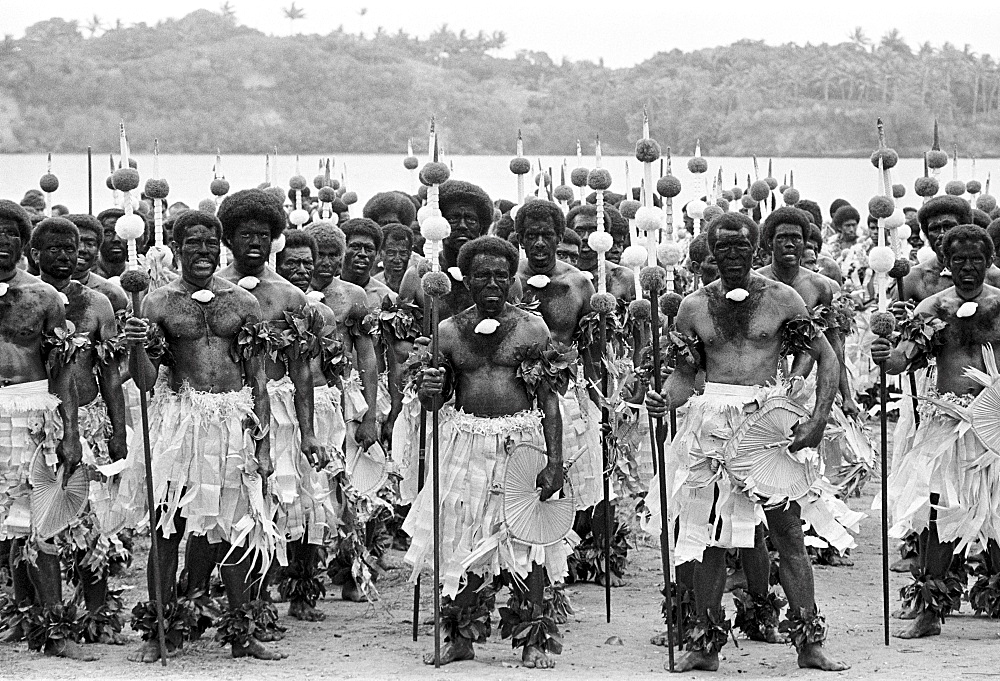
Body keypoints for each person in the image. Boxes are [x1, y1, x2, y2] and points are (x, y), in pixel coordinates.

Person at [644, 212, 848, 672]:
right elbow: (683, 375)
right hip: (712, 420)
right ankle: (704, 645)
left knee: (788, 535)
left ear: (755, 249)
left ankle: (809, 643)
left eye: (741, 247)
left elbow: (827, 359)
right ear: (712, 252)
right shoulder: (694, 306)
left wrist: (817, 421)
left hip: (766, 421)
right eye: (723, 248)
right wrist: (664, 401)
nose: (732, 255)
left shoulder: (782, 299)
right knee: (713, 537)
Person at [121, 209, 283, 662]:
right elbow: (146, 380)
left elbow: (258, 378)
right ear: (176, 249)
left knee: (236, 523)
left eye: (211, 245)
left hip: (234, 418)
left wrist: (264, 442)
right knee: (166, 526)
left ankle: (240, 632)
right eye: (193, 244)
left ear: (221, 248)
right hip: (180, 419)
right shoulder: (157, 303)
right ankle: (162, 631)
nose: (204, 253)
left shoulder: (244, 304)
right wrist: (137, 344)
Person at [405, 235, 572, 669]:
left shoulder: (531, 328)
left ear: (512, 278)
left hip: (520, 440)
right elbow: (433, 401)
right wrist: (429, 391)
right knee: (460, 536)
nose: (493, 284)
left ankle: (533, 637)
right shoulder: (447, 330)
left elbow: (549, 400)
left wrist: (554, 462)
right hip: (466, 441)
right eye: (483, 276)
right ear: (467, 279)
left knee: (528, 540)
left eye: (501, 275)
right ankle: (460, 635)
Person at [872, 224, 1000, 639]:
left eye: (976, 260)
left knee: (997, 512)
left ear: (989, 260)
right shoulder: (932, 308)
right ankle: (929, 610)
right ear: (946, 263)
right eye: (958, 260)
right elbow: (902, 362)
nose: (967, 268)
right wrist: (884, 354)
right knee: (941, 509)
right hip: (946, 421)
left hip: (994, 419)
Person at [216, 189, 326, 613]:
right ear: (229, 237)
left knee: (272, 506)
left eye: (263, 235)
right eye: (245, 235)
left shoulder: (289, 297)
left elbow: (301, 370)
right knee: (225, 506)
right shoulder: (212, 285)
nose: (255, 243)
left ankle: (256, 607)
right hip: (227, 409)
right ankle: (214, 601)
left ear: (275, 237)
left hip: (278, 409)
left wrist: (309, 432)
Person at [31, 217, 131, 644]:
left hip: (89, 417)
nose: (63, 256)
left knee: (92, 522)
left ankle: (96, 614)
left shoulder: (97, 303)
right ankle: (39, 615)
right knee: (38, 518)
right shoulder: (27, 300)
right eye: (52, 249)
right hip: (36, 421)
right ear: (34, 254)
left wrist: (119, 428)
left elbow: (110, 374)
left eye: (70, 248)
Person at [0, 203, 86, 660]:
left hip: (30, 410)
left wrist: (69, 433)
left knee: (38, 521)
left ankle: (54, 626)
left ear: (22, 243)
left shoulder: (45, 298)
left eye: (10, 234)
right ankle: (17, 614)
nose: (2, 241)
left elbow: (64, 372)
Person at [514, 200, 609, 585]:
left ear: (560, 238)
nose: (539, 244)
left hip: (568, 395)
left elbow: (593, 352)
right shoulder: (507, 278)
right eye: (531, 236)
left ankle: (561, 565)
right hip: (518, 397)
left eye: (547, 236)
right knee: (527, 480)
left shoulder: (578, 284)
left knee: (571, 480)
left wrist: (602, 403)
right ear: (519, 239)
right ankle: (525, 565)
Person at [274, 229, 347, 621]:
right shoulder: (264, 303)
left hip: (317, 408)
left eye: (307, 263)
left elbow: (335, 369)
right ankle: (263, 590)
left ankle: (303, 592)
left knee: (312, 503)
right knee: (274, 501)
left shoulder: (325, 314)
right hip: (274, 407)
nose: (301, 270)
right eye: (291, 263)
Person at [310, 222, 382, 602]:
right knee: (311, 487)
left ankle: (356, 572)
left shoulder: (353, 296)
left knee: (357, 487)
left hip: (347, 397)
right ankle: (301, 576)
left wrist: (369, 414)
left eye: (333, 256)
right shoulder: (295, 297)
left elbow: (368, 356)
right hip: (307, 399)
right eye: (319, 256)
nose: (327, 264)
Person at [566, 204, 635, 300]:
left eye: (593, 231)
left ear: (605, 235)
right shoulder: (560, 276)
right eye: (579, 231)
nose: (586, 237)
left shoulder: (625, 278)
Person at [66, 214, 129, 312]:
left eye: (90, 244)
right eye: (76, 242)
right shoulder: (38, 288)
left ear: (98, 250)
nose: (82, 249)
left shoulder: (113, 295)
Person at [374, 223, 417, 293]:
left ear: (410, 253)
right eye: (391, 253)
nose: (397, 260)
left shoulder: (417, 283)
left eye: (403, 253)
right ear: (380, 253)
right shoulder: (374, 285)